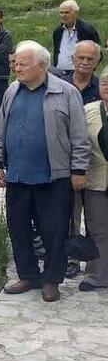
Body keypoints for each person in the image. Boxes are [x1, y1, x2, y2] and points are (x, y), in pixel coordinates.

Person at [0, 41, 90, 302]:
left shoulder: (66, 93)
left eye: (23, 64)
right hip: (18, 176)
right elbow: (0, 129)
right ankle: (28, 275)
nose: (17, 69)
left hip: (53, 177)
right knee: (19, 228)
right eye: (15, 63)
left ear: (42, 66)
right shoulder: (12, 91)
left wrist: (79, 169)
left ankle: (51, 279)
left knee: (54, 230)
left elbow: (79, 136)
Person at [81, 69, 108, 291]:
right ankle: (96, 274)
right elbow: (78, 143)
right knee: (97, 229)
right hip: (97, 179)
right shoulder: (88, 111)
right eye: (105, 83)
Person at [52, 0, 101, 71]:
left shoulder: (87, 30)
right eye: (61, 12)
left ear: (76, 13)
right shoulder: (58, 31)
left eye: (67, 12)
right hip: (59, 73)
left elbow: (98, 54)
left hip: (78, 75)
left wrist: (88, 70)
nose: (63, 16)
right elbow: (56, 52)